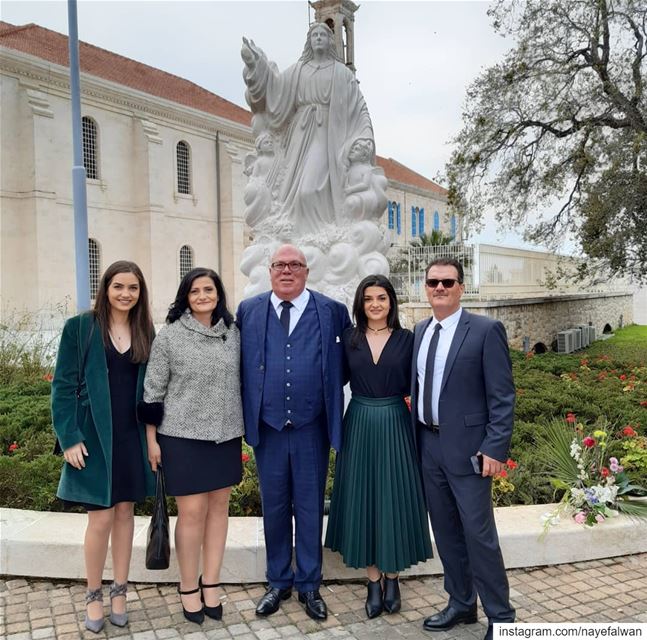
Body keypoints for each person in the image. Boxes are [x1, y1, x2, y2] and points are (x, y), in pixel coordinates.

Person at [237, 244, 351, 621]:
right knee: (274, 506)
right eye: (279, 265)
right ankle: (278, 581)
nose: (287, 271)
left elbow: (347, 364)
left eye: (295, 265)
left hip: (311, 428)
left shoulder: (332, 312)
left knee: (309, 506)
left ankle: (309, 585)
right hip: (267, 428)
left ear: (306, 270)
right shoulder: (249, 310)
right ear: (270, 271)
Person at [411, 257, 515, 639]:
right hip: (429, 446)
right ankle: (461, 602)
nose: (439, 288)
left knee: (479, 535)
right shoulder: (421, 330)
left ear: (461, 287)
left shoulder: (486, 330)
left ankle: (501, 618)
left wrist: (495, 448)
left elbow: (502, 396)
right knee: (446, 532)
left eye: (447, 282)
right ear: (426, 286)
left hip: (471, 452)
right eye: (433, 282)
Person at [51, 260, 156, 633]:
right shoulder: (80, 329)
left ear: (140, 293)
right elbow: (62, 386)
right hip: (94, 437)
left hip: (131, 435)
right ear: (106, 288)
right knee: (101, 519)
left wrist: (153, 440)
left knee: (126, 513)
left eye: (133, 288)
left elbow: (153, 392)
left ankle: (120, 592)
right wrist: (69, 437)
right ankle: (93, 594)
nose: (126, 294)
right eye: (119, 287)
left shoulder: (146, 331)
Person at [138, 268, 244, 625]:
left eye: (209, 289)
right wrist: (152, 441)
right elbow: (152, 392)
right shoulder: (170, 337)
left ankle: (211, 583)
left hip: (225, 436)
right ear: (185, 296)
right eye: (195, 290)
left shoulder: (233, 333)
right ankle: (188, 587)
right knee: (192, 513)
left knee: (219, 510)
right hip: (182, 438)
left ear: (218, 294)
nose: (202, 296)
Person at [325, 275, 433, 618]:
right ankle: (373, 581)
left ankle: (393, 577)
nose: (375, 304)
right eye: (369, 298)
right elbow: (330, 379)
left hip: (395, 423)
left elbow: (425, 383)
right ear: (361, 303)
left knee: (394, 496)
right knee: (364, 498)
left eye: (382, 298)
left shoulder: (407, 339)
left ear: (391, 303)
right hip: (358, 421)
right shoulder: (350, 340)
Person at [241, 23, 377, 234]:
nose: (319, 38)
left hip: (327, 135)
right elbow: (274, 88)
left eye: (323, 35)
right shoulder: (298, 70)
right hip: (299, 134)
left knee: (309, 189)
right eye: (315, 35)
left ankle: (322, 234)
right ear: (309, 41)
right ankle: (300, 236)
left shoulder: (342, 73)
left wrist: (365, 135)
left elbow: (359, 108)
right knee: (289, 192)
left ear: (330, 41)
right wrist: (255, 63)